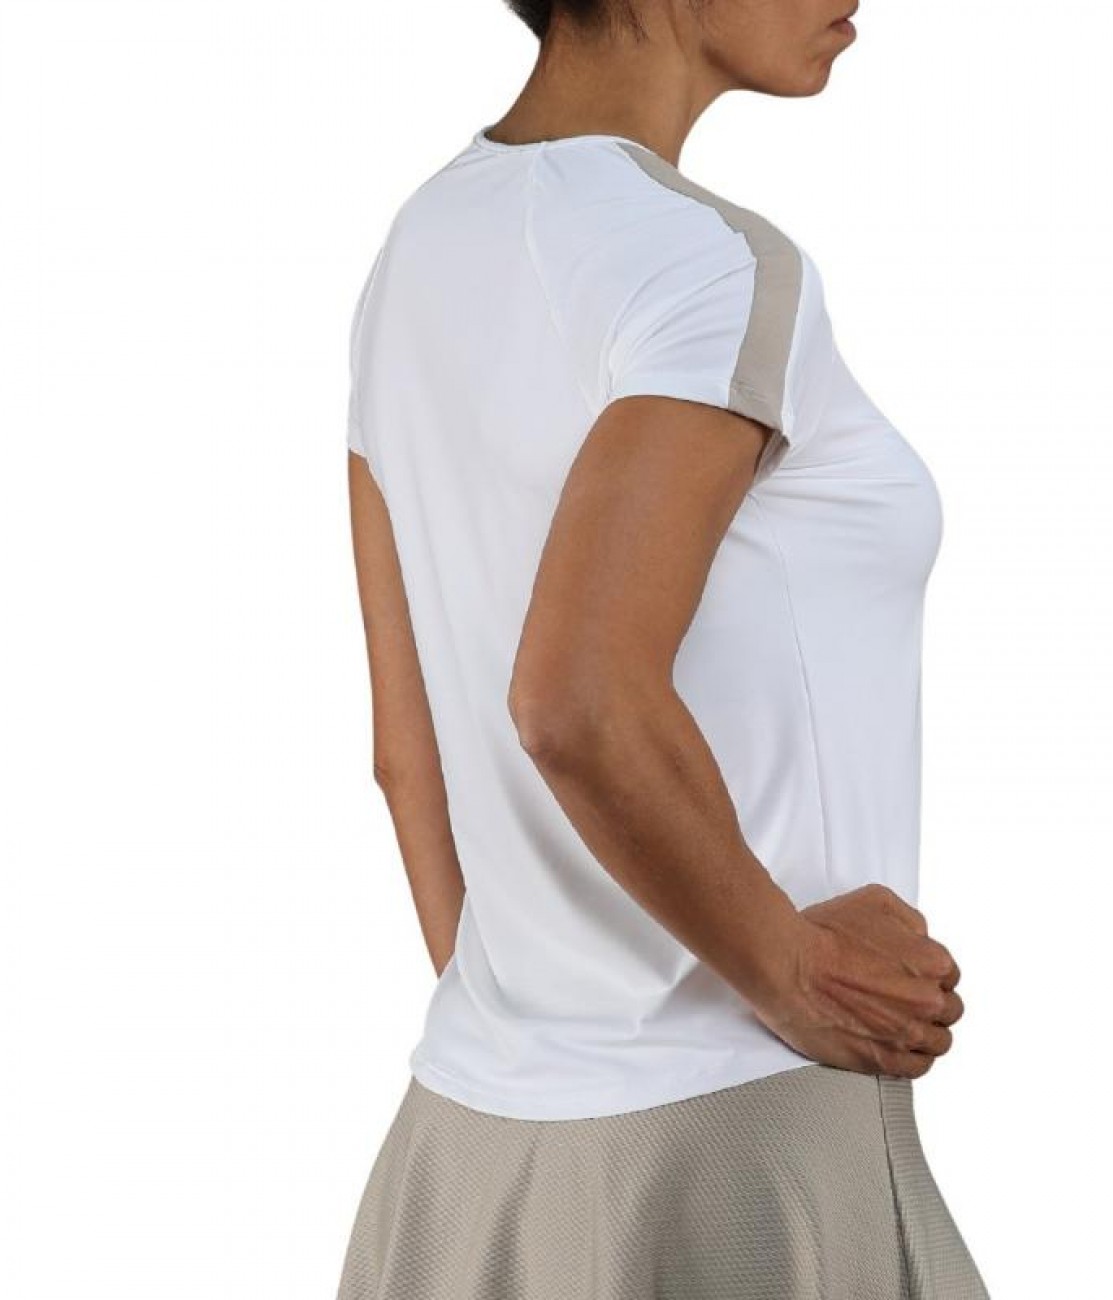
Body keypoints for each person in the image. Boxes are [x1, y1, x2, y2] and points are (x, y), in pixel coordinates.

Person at [335, 1, 990, 1296]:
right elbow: (575, 696)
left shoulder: (418, 247)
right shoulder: (711, 266)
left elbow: (410, 758)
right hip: (738, 1144)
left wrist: (543, 1031)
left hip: (465, 1155)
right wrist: (790, 970)